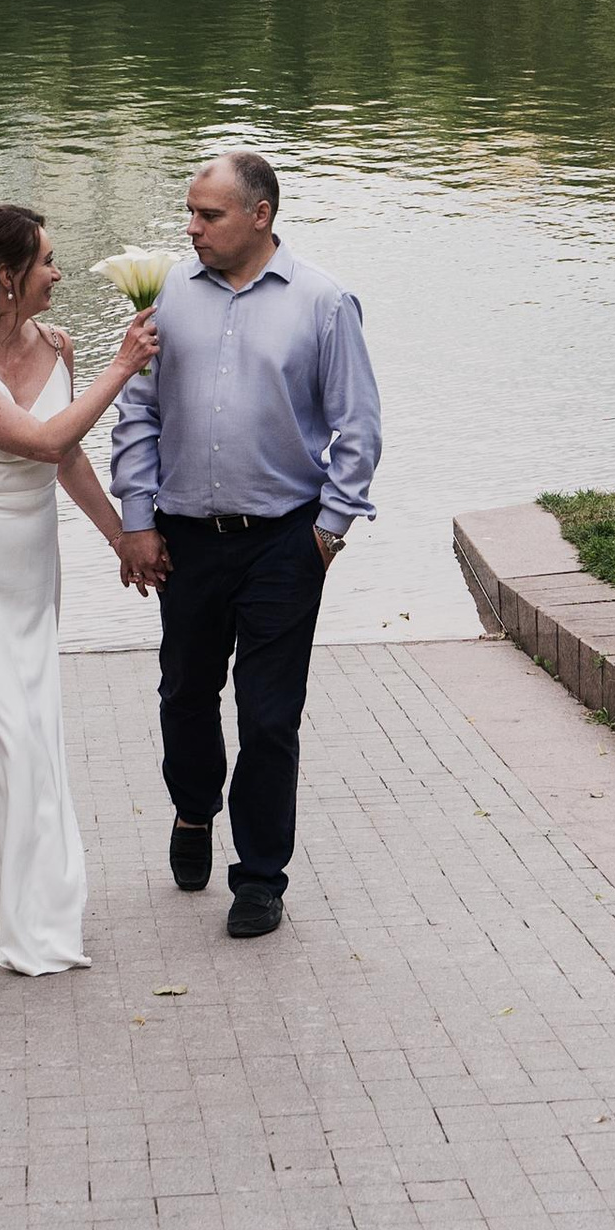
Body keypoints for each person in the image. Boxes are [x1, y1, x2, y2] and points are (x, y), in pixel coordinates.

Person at [109, 152, 381, 941]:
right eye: (191, 213)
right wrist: (136, 519)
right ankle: (194, 810)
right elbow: (138, 416)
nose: (190, 229)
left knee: (269, 716)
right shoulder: (167, 305)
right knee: (186, 692)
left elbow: (357, 428)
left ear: (260, 215)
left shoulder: (324, 303)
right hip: (185, 540)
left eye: (209, 216)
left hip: (283, 544)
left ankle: (261, 876)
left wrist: (327, 534)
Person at [0, 205, 158, 975]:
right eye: (47, 261)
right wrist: (125, 364)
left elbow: (65, 458)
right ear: (8, 278)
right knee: (4, 729)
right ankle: (31, 919)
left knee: (26, 730)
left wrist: (120, 537)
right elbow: (38, 438)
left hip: (26, 567)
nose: (57, 274)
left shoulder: (56, 345)